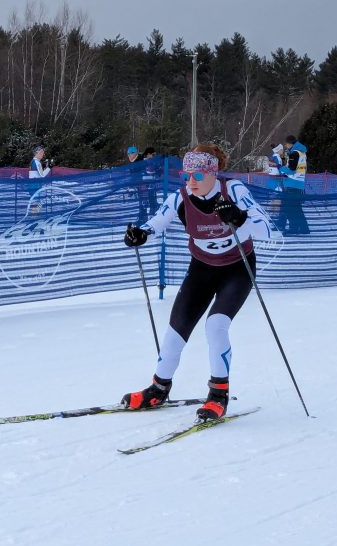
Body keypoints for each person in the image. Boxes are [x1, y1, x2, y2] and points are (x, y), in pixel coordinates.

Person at [122, 142, 274, 421]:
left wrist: (240, 218)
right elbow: (156, 222)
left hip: (237, 269)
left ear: (213, 174)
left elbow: (268, 230)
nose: (191, 181)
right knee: (176, 331)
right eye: (187, 175)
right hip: (202, 270)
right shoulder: (180, 197)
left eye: (198, 176)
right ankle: (158, 388)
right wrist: (140, 234)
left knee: (216, 325)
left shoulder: (234, 191)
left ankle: (218, 395)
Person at [277, 134, 309, 235]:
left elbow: (291, 170)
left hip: (292, 184)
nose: (285, 146)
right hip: (299, 184)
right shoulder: (302, 152)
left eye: (286, 144)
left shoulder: (294, 153)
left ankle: (293, 228)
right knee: (297, 208)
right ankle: (304, 229)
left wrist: (280, 167)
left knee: (289, 208)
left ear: (290, 143)